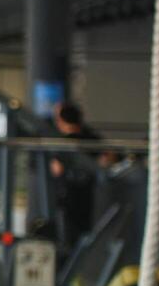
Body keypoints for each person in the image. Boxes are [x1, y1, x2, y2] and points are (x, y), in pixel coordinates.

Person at [48, 100, 113, 255]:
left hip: (67, 197)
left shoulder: (61, 143)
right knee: (86, 233)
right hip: (90, 194)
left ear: (61, 121)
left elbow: (56, 169)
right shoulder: (90, 137)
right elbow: (108, 157)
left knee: (68, 239)